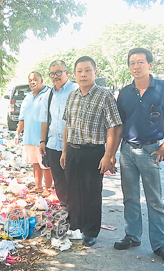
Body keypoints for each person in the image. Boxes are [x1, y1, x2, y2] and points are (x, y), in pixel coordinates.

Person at [114, 48, 164, 265]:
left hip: (151, 151)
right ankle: (132, 235)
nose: (136, 66)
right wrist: (112, 153)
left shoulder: (162, 88)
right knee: (130, 197)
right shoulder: (124, 93)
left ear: (150, 65)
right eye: (132, 63)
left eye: (140, 62)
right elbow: (119, 124)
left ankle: (160, 244)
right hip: (127, 150)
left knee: (155, 200)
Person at [60, 56, 123, 247]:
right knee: (72, 191)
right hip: (72, 149)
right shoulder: (72, 95)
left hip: (93, 151)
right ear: (75, 74)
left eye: (87, 70)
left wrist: (108, 155)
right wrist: (64, 152)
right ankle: (75, 226)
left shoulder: (104, 95)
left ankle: (90, 231)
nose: (83, 74)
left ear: (95, 72)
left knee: (91, 193)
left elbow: (114, 126)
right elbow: (67, 125)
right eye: (79, 71)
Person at [39, 60, 79, 208]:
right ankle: (65, 210)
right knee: (59, 181)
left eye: (58, 72)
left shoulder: (77, 90)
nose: (55, 76)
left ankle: (76, 213)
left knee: (74, 181)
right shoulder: (49, 95)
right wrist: (42, 142)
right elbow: (44, 120)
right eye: (52, 73)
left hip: (72, 146)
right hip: (53, 145)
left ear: (67, 73)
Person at [15, 71, 53, 192]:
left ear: (41, 80)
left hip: (43, 138)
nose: (32, 82)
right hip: (29, 138)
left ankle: (48, 188)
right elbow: (22, 119)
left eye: (35, 79)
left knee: (45, 165)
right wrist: (17, 134)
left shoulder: (49, 94)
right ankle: (38, 187)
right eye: (30, 80)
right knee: (35, 163)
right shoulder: (27, 98)